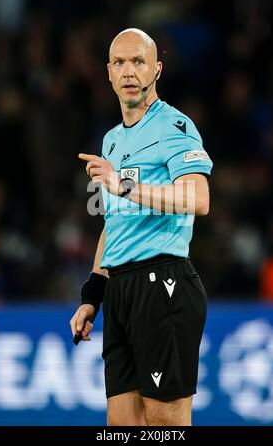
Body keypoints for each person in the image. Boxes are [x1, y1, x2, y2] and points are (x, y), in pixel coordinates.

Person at [70, 28, 213, 426]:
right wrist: (92, 295)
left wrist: (124, 185)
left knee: (165, 423)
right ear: (108, 73)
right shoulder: (111, 140)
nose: (129, 71)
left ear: (157, 70)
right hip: (120, 292)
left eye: (138, 62)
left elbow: (198, 198)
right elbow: (112, 224)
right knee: (122, 426)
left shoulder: (175, 126)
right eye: (120, 62)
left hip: (163, 282)